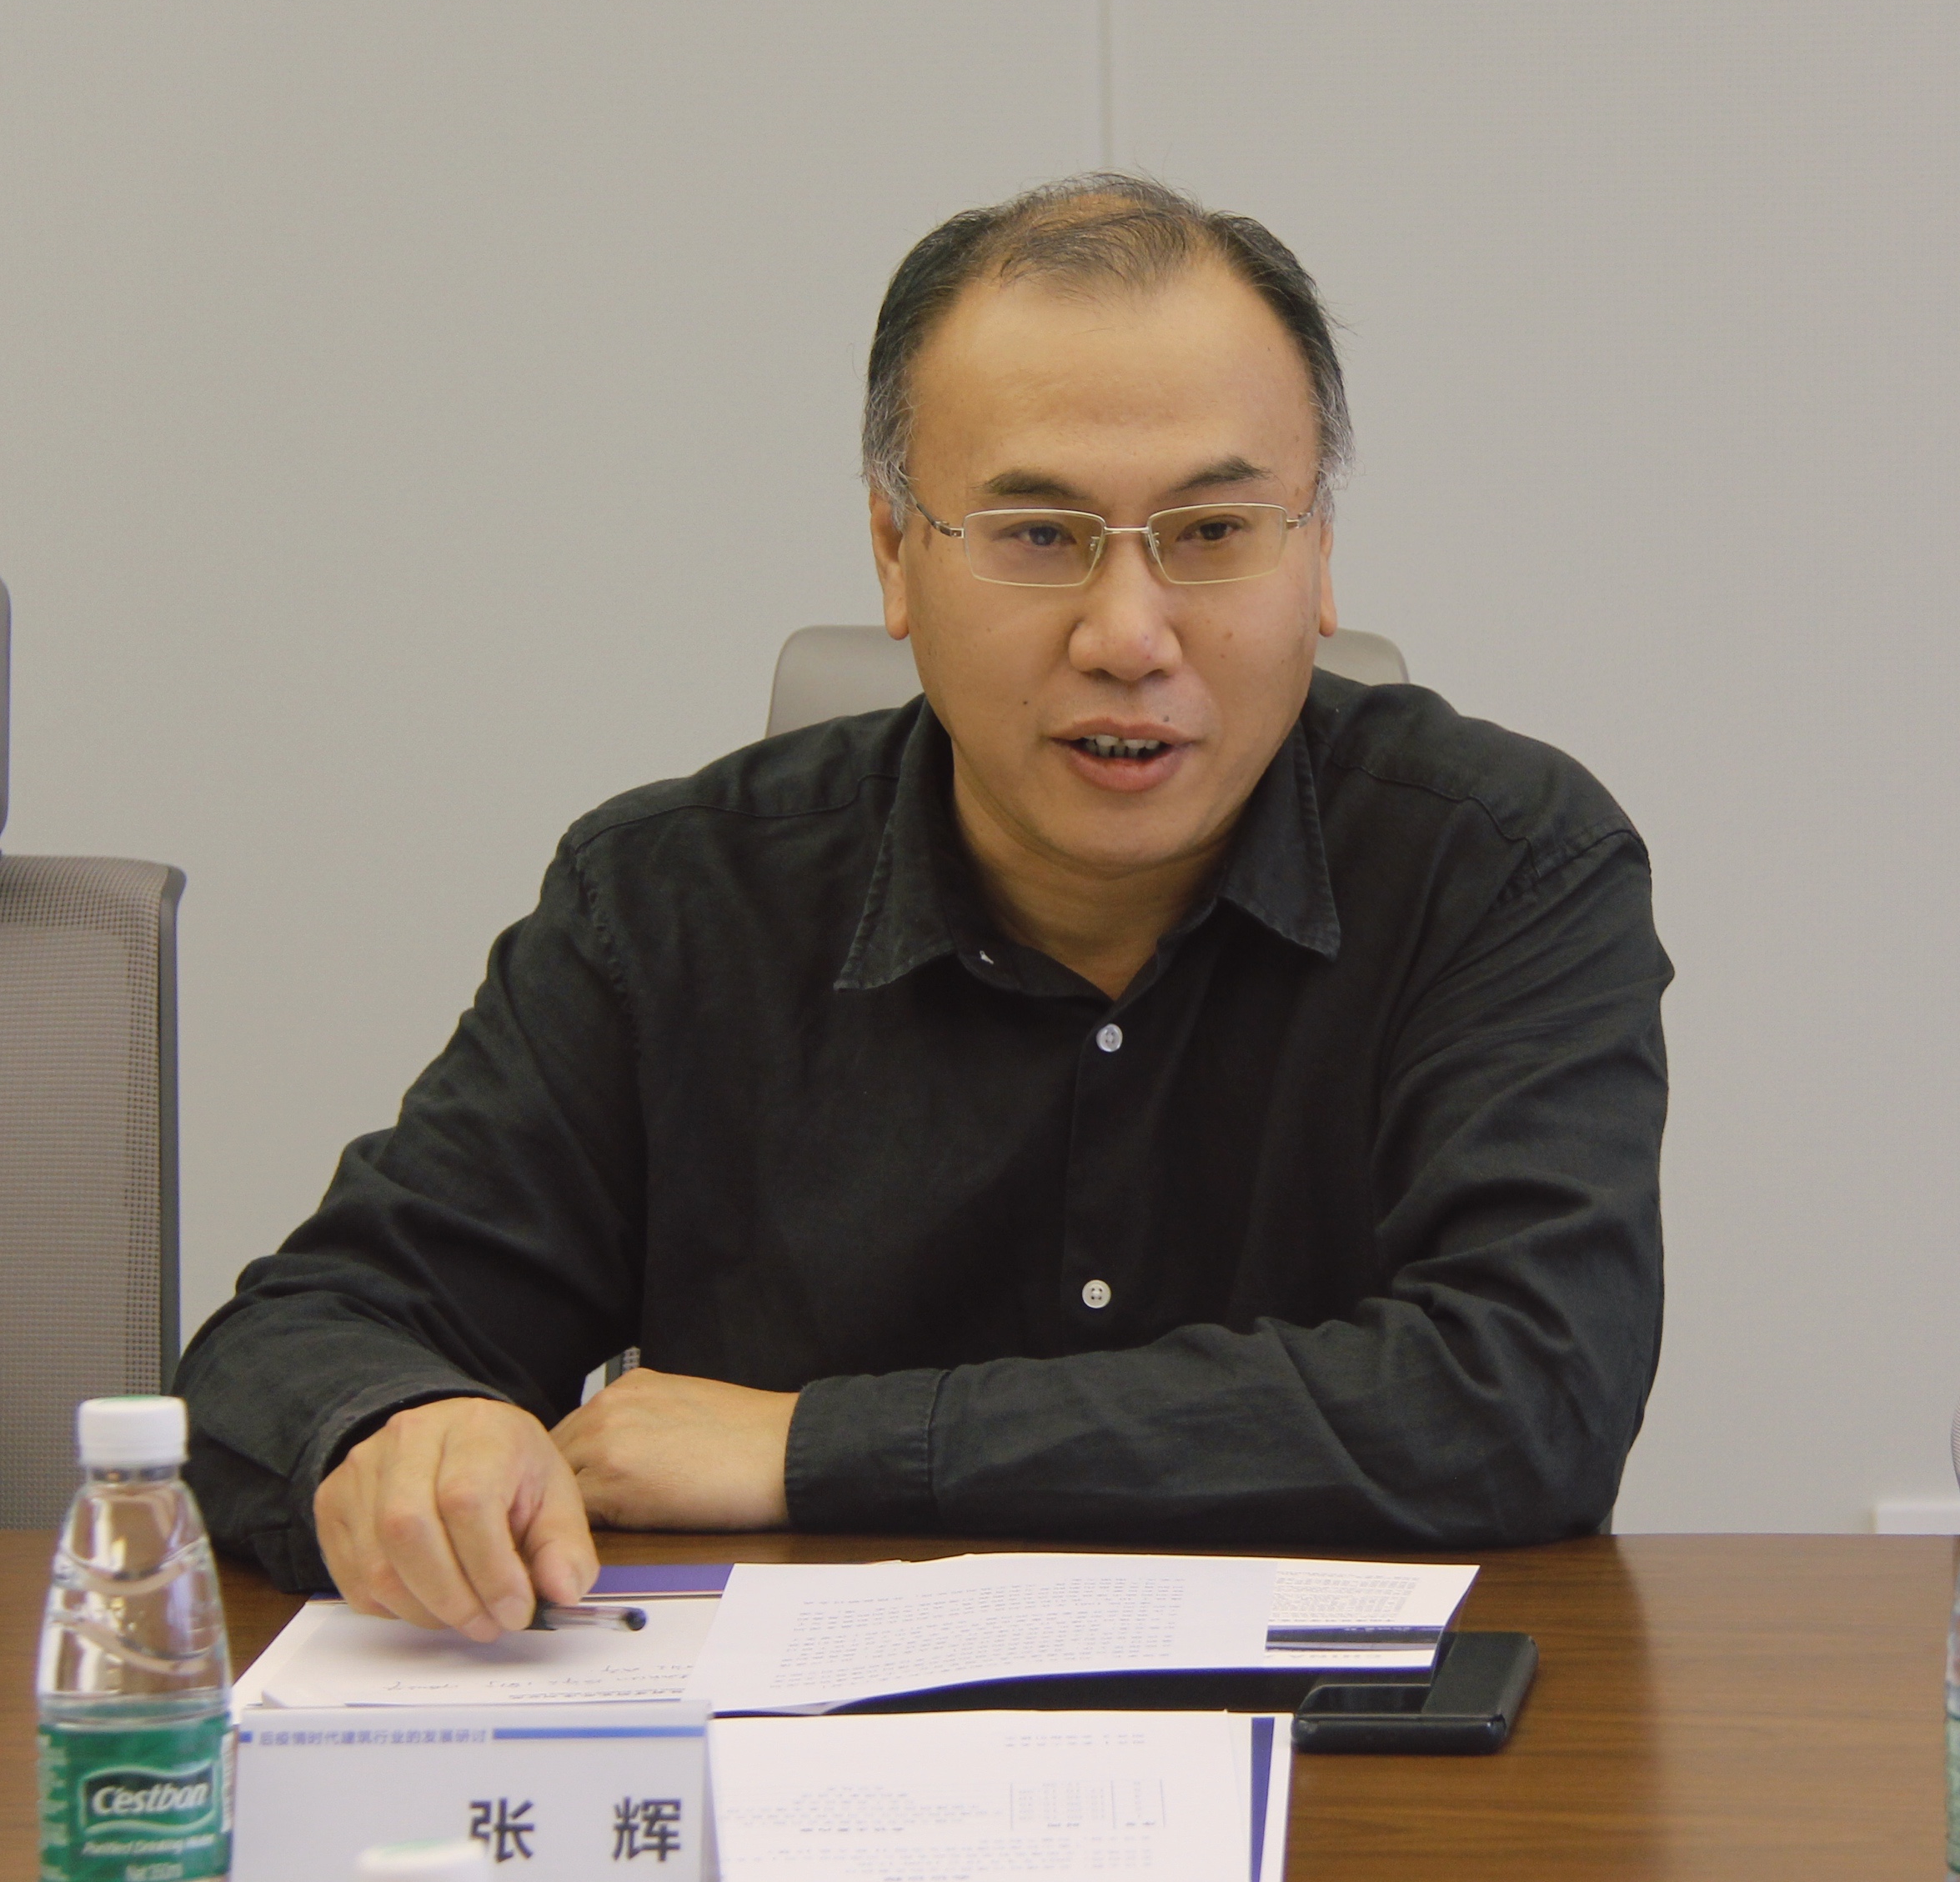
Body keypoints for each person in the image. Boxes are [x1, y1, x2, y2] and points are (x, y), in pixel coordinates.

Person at [178, 173, 1669, 1643]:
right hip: (783, 1759)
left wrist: (812, 1446)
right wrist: (409, 1434)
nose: (1129, 635)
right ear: (896, 554)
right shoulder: (672, 903)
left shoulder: (1504, 867)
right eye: (1039, 536)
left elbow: (1526, 1395)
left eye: (1215, 531)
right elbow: (297, 1344)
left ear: (1320, 550)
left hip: (1352, 1758)